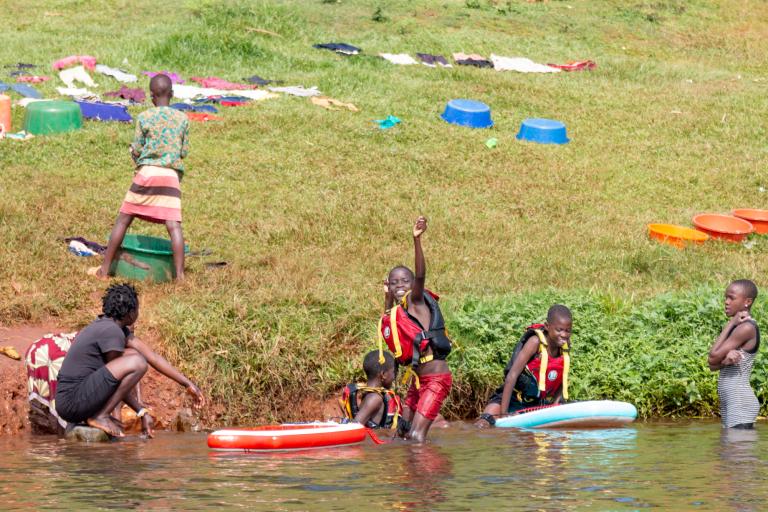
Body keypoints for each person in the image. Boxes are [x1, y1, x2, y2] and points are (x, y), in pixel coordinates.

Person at [55, 283, 204, 437]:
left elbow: (153, 357)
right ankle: (100, 416)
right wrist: (140, 410)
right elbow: (117, 382)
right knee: (137, 362)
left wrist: (187, 384)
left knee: (134, 356)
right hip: (72, 401)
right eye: (138, 309)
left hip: (76, 399)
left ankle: (100, 415)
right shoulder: (112, 331)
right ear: (131, 313)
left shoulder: (111, 326)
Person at [94, 73, 189, 281]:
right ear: (172, 94)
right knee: (174, 226)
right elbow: (183, 151)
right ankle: (180, 277)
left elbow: (137, 149)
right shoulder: (182, 118)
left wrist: (134, 155)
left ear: (151, 96)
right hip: (171, 177)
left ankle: (104, 270)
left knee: (123, 220)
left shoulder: (144, 117)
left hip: (147, 173)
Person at [379, 216, 453, 442]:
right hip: (418, 382)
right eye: (394, 282)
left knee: (416, 435)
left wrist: (417, 240)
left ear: (412, 285)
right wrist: (387, 297)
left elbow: (420, 274)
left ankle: (424, 467)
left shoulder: (416, 300)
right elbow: (389, 322)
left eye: (404, 281)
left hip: (436, 379)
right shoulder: (397, 310)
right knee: (402, 433)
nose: (399, 285)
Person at [476, 305, 572, 427]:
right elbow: (512, 376)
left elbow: (562, 378)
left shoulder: (565, 347)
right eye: (559, 330)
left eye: (568, 331)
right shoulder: (534, 343)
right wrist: (504, 414)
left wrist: (555, 405)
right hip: (511, 398)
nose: (564, 335)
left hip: (536, 403)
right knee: (483, 423)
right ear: (547, 326)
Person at [708, 279, 761, 429]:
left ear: (747, 302)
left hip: (740, 402)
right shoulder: (738, 326)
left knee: (735, 444)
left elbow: (712, 357)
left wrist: (731, 323)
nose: (726, 302)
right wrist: (724, 362)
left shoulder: (746, 328)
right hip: (732, 402)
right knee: (727, 444)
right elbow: (712, 365)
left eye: (731, 298)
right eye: (726, 297)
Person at [340, 350, 402, 430]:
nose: (394, 377)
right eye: (394, 372)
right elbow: (353, 429)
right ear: (383, 374)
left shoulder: (370, 394)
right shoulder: (375, 398)